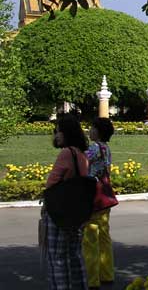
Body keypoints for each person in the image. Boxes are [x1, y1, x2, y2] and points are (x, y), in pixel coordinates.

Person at [44, 113, 90, 290]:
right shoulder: (81, 154)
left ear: (66, 133)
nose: (56, 136)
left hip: (60, 211)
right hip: (77, 211)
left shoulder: (65, 153)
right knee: (75, 255)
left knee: (57, 257)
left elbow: (52, 183)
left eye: (58, 132)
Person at [83, 118, 116, 290]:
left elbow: (82, 162)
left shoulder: (93, 148)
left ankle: (92, 279)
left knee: (90, 238)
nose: (90, 130)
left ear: (98, 131)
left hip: (93, 195)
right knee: (104, 236)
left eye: (92, 128)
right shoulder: (106, 148)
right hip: (105, 194)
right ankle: (107, 274)